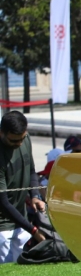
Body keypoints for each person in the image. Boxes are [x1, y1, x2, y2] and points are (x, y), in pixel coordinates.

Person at [0, 111, 46, 262]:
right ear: (2, 133)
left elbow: (31, 170)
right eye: (14, 141)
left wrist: (35, 195)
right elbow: (3, 203)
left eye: (22, 138)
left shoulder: (26, 139)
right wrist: (34, 231)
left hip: (21, 222)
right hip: (2, 229)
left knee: (21, 273)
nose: (19, 143)